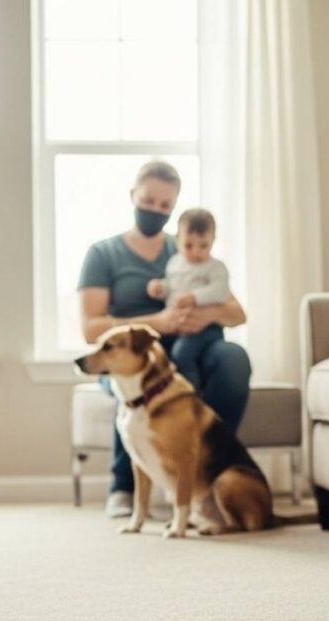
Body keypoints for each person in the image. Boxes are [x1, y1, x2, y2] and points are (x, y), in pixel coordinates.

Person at [77, 160, 252, 518]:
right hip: (132, 357)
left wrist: (207, 313)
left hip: (190, 347)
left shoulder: (187, 249)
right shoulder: (103, 254)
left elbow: (237, 313)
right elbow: (91, 328)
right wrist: (158, 322)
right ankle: (122, 486)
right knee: (136, 383)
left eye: (164, 206)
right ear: (132, 196)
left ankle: (208, 475)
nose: (155, 211)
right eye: (148, 201)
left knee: (233, 358)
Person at [146, 207, 230, 389]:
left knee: (182, 353)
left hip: (206, 329)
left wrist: (194, 297)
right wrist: (160, 288)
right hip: (177, 328)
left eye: (204, 245)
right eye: (189, 245)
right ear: (178, 241)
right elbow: (172, 287)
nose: (196, 252)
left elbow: (220, 291)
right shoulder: (175, 263)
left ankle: (191, 394)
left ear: (213, 241)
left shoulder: (214, 268)